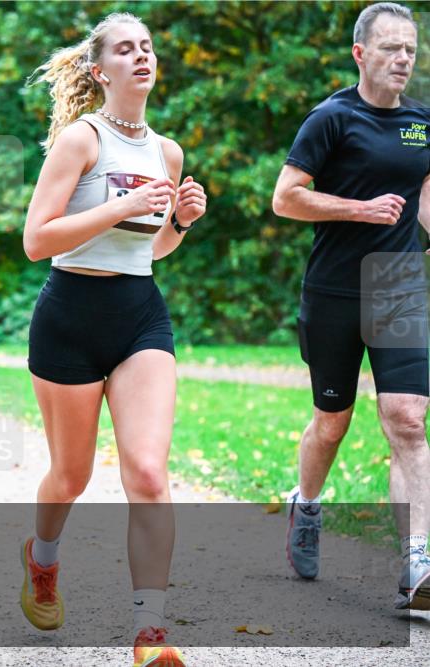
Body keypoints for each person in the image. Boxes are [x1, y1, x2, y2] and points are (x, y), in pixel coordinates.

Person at [21, 12, 206, 665]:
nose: (141, 57)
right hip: (69, 315)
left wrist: (177, 223)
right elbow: (37, 239)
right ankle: (42, 560)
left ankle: (150, 632)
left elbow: (149, 252)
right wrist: (123, 206)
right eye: (125, 50)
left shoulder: (168, 150)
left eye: (148, 47)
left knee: (150, 473)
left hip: (139, 315)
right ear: (100, 71)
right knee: (69, 476)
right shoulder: (81, 140)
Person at [271, 2, 429, 611]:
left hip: (397, 282)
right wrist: (358, 209)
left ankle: (418, 564)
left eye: (410, 49)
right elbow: (286, 199)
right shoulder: (331, 119)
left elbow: (425, 198)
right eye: (390, 48)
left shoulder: (422, 124)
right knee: (332, 423)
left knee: (408, 418)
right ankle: (306, 506)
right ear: (361, 54)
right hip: (335, 287)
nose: (403, 59)